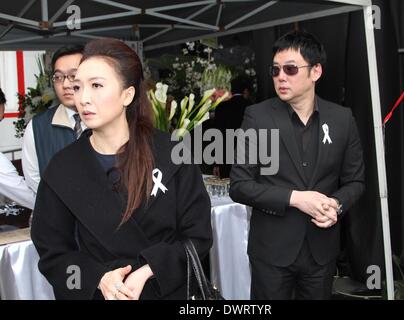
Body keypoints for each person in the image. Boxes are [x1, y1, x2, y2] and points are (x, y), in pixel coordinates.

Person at [30, 38, 212, 300]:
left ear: (128, 94)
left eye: (96, 86)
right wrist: (97, 278)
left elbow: (199, 235)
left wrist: (150, 269)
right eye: (78, 87)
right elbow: (52, 254)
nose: (84, 98)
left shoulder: (172, 153)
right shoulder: (62, 169)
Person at [229, 30, 365, 300]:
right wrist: (295, 198)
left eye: (290, 69)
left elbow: (356, 182)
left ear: (315, 72)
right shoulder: (257, 117)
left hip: (321, 252)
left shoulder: (341, 119)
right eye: (276, 69)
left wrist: (336, 205)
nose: (281, 76)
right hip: (271, 251)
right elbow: (240, 185)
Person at [22, 45, 85, 194]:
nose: (65, 84)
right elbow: (34, 179)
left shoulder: (108, 121)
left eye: (73, 75)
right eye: (58, 77)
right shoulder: (37, 127)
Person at [213, 76, 253, 178]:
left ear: (231, 90)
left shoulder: (221, 107)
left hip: (225, 154)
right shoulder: (251, 107)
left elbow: (217, 134)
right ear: (245, 90)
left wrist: (217, 163)